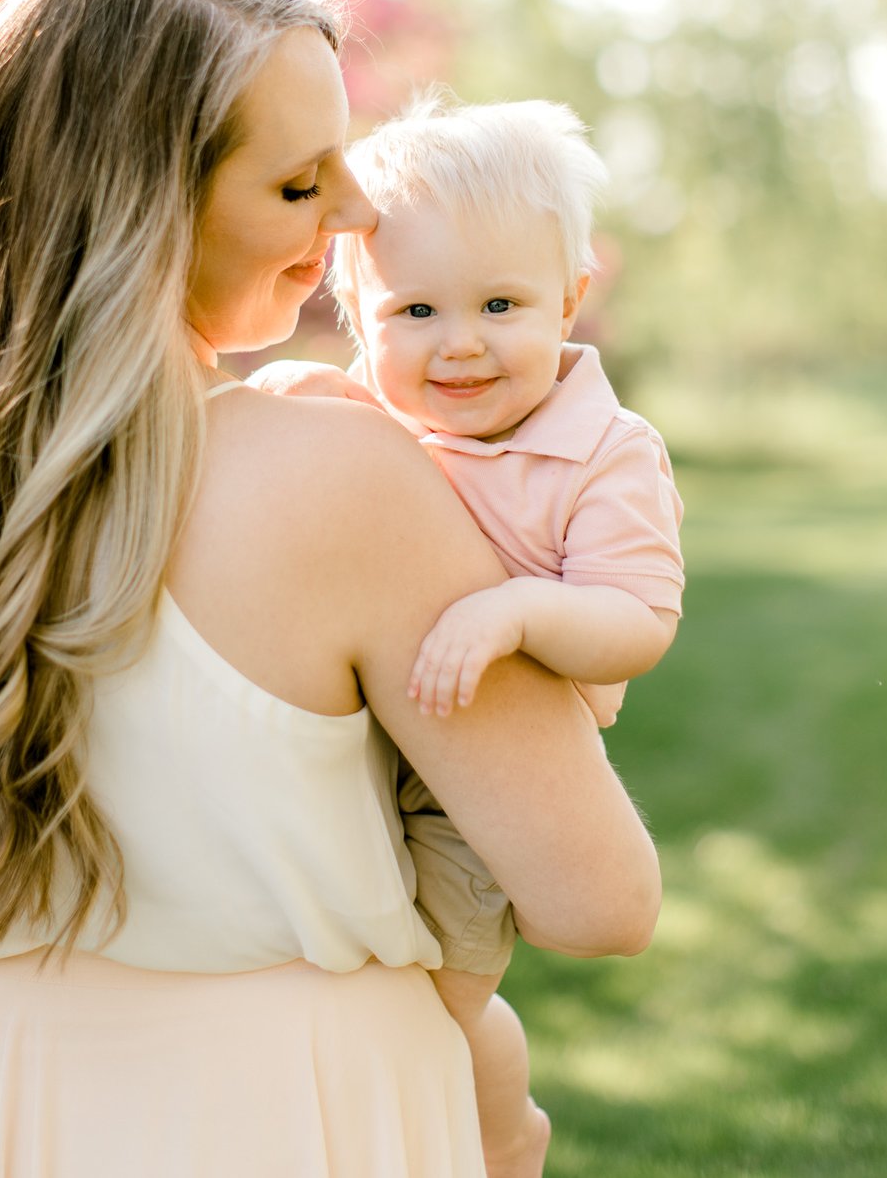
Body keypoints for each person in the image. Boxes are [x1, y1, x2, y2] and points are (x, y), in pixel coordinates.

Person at [0, 0, 662, 1178]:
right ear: (147, 204)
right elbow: (601, 901)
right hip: (283, 1119)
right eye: (299, 183)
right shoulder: (333, 476)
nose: (360, 212)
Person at [255, 92, 684, 1176]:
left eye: (500, 305)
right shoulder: (371, 417)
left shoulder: (604, 452)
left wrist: (516, 612)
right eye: (416, 313)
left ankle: (496, 1137)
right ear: (358, 310)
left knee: (425, 1007)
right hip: (351, 743)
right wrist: (287, 394)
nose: (460, 347)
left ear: (570, 300)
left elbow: (636, 621)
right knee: (323, 967)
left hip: (473, 784)